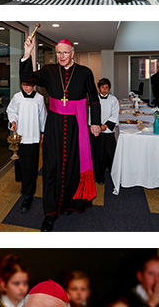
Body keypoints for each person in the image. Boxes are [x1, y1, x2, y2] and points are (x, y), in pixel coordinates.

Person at [20, 34, 101, 230]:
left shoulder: (84, 72)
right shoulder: (48, 71)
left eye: (65, 53)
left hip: (76, 125)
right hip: (54, 125)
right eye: (58, 53)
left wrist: (96, 122)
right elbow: (27, 78)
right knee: (51, 168)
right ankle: (50, 213)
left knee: (74, 165)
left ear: (72, 53)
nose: (61, 56)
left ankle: (69, 204)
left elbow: (94, 99)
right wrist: (27, 53)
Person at [7, 70, 47, 211]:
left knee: (31, 165)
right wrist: (13, 121)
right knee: (20, 164)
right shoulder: (17, 97)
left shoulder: (39, 98)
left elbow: (43, 116)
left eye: (29, 85)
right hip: (20, 136)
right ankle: (25, 187)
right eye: (24, 84)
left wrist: (43, 131)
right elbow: (11, 111)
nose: (26, 88)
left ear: (34, 85)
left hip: (34, 136)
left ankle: (28, 195)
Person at [91, 78, 119, 183]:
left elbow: (115, 114)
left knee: (110, 153)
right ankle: (99, 177)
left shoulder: (113, 99)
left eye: (106, 88)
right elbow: (92, 115)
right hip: (97, 131)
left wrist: (106, 126)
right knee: (98, 155)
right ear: (99, 88)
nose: (104, 90)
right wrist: (97, 126)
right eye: (102, 87)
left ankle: (113, 174)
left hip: (108, 132)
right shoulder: (94, 100)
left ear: (109, 88)